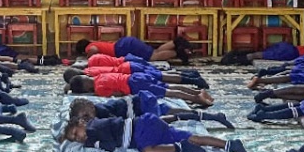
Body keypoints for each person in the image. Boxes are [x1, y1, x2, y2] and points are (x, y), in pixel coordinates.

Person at [63, 113, 254, 152]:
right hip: (149, 127)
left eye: (75, 134)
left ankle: (180, 148)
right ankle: (230, 145)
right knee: (192, 138)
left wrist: (91, 143)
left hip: (142, 129)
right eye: (74, 140)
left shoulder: (93, 127)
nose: (78, 139)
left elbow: (110, 146)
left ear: (81, 123)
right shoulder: (94, 128)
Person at [69, 95, 235, 130]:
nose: (88, 119)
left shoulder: (101, 112)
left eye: (86, 115)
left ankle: (211, 116)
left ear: (91, 106)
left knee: (164, 119)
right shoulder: (96, 108)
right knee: (172, 111)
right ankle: (212, 116)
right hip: (141, 100)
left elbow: (118, 124)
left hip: (139, 106)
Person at [66, 72, 213, 108]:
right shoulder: (99, 77)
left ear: (86, 89)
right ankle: (196, 92)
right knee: (168, 86)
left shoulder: (99, 89)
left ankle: (196, 99)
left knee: (168, 92)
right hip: (136, 77)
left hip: (134, 86)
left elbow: (117, 94)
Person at [64, 58, 209, 90]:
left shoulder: (92, 77)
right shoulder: (91, 69)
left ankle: (193, 80)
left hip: (128, 72)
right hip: (127, 65)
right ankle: (190, 75)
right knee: (160, 73)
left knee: (161, 78)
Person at [74, 35, 191, 64]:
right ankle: (176, 42)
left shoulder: (90, 47)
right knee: (153, 51)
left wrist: (89, 59)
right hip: (125, 43)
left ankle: (177, 52)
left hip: (123, 48)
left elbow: (93, 50)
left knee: (153, 57)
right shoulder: (94, 42)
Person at [221, 42, 304, 66]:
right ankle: (234, 59)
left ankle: (236, 53)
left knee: (263, 53)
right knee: (260, 55)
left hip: (288, 46)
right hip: (291, 52)